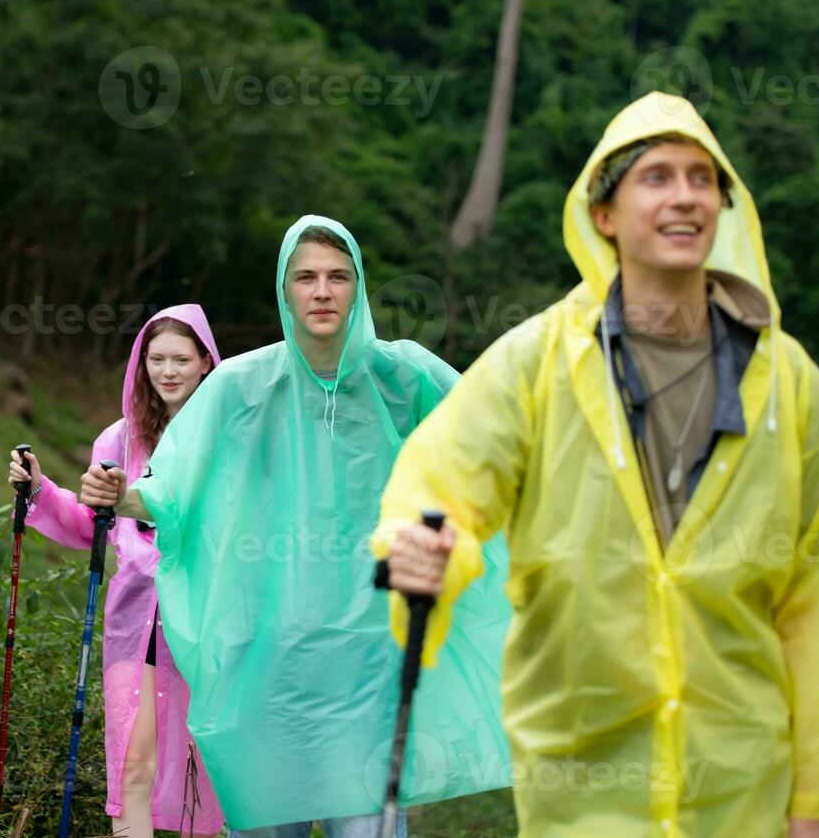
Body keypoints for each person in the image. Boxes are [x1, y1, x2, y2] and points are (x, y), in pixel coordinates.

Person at [376, 92, 819, 838]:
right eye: (657, 177)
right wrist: (416, 544)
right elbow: (439, 485)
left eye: (703, 179)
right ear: (603, 213)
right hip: (581, 790)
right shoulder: (534, 363)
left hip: (742, 792)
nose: (685, 197)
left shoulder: (794, 389)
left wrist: (813, 800)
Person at [81, 215, 511, 835]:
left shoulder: (403, 377)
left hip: (369, 663)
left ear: (358, 287)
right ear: (285, 291)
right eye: (305, 276)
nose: (322, 291)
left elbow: (495, 446)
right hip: (267, 664)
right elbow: (173, 489)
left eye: (339, 276)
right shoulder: (240, 387)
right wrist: (121, 495)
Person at [8, 305, 225, 836]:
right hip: (134, 618)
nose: (168, 371)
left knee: (202, 770)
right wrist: (39, 488)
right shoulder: (119, 440)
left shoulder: (227, 438)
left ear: (204, 363)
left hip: (204, 618)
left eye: (180, 359)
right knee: (133, 762)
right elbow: (90, 524)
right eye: (157, 359)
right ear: (141, 363)